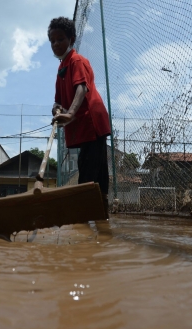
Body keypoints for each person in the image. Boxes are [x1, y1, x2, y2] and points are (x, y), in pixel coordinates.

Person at [48, 16, 111, 217]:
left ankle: (83, 222)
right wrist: (57, 109)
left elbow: (82, 88)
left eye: (60, 39)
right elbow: (58, 100)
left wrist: (70, 113)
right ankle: (102, 218)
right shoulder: (61, 69)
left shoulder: (76, 61)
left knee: (88, 174)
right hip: (83, 125)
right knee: (97, 173)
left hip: (92, 122)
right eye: (52, 41)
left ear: (71, 39)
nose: (56, 44)